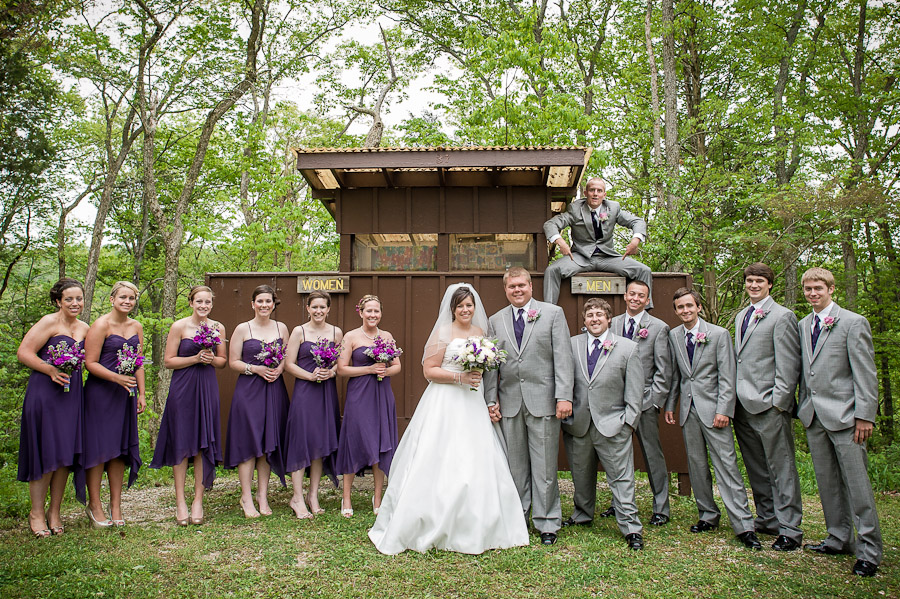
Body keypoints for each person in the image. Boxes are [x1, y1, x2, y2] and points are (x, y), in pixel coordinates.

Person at [368, 284, 529, 554]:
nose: (465, 310)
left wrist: (477, 378)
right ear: (452, 309)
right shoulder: (443, 333)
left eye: (469, 305)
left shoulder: (480, 333)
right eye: (460, 306)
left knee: (475, 458)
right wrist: (459, 377)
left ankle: (476, 522)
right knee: (440, 456)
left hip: (472, 402)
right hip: (444, 401)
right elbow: (429, 371)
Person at [797, 267, 882, 577]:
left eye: (818, 287)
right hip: (815, 415)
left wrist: (864, 415)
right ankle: (837, 538)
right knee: (827, 483)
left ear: (831, 289)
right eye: (808, 288)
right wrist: (804, 406)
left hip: (847, 416)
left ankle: (869, 551)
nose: (812, 293)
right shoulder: (804, 324)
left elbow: (865, 373)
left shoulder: (852, 322)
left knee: (857, 485)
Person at [664, 288, 761, 550]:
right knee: (696, 465)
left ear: (698, 307)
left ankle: (744, 525)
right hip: (688, 409)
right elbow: (677, 375)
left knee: (726, 466)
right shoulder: (674, 336)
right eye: (680, 307)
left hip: (714, 409)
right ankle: (707, 515)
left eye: (689, 306)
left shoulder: (718, 334)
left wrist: (724, 409)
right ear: (676, 311)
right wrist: (672, 404)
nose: (685, 311)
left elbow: (728, 375)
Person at [484, 267, 574, 545]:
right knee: (516, 466)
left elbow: (563, 358)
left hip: (544, 401)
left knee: (545, 466)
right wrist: (490, 399)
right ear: (506, 289)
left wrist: (564, 396)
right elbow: (491, 365)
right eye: (512, 287)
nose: (517, 290)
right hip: (509, 402)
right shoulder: (495, 320)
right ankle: (517, 517)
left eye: (521, 285)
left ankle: (547, 522)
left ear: (531, 286)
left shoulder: (552, 314)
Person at [562, 298, 645, 550]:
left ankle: (631, 527)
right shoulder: (571, 345)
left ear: (609, 319)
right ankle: (582, 514)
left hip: (613, 423)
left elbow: (635, 390)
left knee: (621, 479)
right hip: (579, 424)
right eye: (590, 315)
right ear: (584, 320)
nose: (594, 319)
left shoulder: (627, 348)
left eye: (600, 314)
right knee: (581, 475)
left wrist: (629, 423)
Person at [732, 263, 802, 550]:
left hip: (770, 405)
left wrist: (780, 404)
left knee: (781, 467)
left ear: (770, 284)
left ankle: (790, 529)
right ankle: (768, 518)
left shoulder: (783, 316)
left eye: (759, 281)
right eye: (749, 280)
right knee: (757, 467)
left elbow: (789, 364)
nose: (754, 285)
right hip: (742, 405)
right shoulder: (740, 316)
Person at [595, 280, 673, 526]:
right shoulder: (613, 323)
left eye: (641, 295)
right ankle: (618, 504)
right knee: (615, 455)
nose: (636, 298)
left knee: (652, 455)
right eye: (632, 294)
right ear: (625, 295)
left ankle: (661, 507)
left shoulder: (658, 328)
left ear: (647, 300)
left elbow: (664, 371)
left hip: (644, 402)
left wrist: (653, 402)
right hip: (616, 403)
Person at [17, 278, 90, 537]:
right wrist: (50, 369)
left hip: (72, 397)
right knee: (46, 451)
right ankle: (36, 512)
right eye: (69, 299)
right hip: (46, 393)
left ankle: (55, 511)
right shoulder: (49, 322)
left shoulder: (85, 328)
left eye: (78, 298)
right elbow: (24, 352)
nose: (75, 303)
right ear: (58, 301)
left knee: (65, 453)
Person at [150, 285, 227, 526]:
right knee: (182, 442)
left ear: (212, 305)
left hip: (207, 386)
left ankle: (198, 501)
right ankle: (181, 501)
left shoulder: (218, 327)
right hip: (183, 388)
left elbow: (223, 361)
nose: (203, 306)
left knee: (203, 442)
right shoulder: (179, 326)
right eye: (199, 301)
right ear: (191, 302)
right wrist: (194, 358)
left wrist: (211, 358)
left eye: (207, 302)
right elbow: (168, 361)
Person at [81, 281, 146, 528]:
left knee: (120, 450)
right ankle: (94, 505)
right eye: (123, 297)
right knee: (99, 449)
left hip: (125, 395)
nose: (127, 302)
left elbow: (138, 361)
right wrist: (116, 377)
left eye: (132, 298)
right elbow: (91, 363)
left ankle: (116, 505)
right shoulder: (100, 325)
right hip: (100, 393)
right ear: (112, 299)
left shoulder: (136, 326)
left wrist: (141, 392)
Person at [225, 284, 290, 518]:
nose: (264, 305)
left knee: (267, 443)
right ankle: (246, 497)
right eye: (260, 301)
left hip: (273, 388)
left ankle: (263, 495)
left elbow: (286, 357)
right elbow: (233, 362)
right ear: (253, 304)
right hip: (249, 389)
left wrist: (278, 371)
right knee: (249, 442)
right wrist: (256, 369)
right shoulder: (243, 329)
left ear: (274, 304)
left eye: (268, 301)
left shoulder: (281, 328)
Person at [335, 294, 401, 518]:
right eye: (369, 311)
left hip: (382, 394)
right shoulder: (351, 336)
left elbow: (397, 366)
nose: (373, 315)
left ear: (381, 313)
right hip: (359, 395)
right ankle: (346, 497)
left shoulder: (387, 336)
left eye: (377, 311)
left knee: (381, 443)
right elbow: (342, 369)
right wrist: (369, 369)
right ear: (360, 312)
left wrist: (384, 370)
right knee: (355, 441)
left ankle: (378, 497)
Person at [542, 177, 652, 305]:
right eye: (592, 190)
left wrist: (635, 240)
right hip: (580, 258)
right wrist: (560, 241)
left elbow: (637, 221)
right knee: (552, 270)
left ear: (604, 195)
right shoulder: (575, 209)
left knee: (644, 271)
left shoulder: (613, 208)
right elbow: (550, 224)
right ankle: (549, 311)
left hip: (608, 258)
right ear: (585, 193)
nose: (595, 194)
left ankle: (644, 315)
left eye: (599, 191)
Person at [283, 290, 343, 519]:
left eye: (323, 307)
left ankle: (313, 495)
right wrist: (309, 376)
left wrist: (331, 372)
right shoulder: (299, 331)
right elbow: (289, 364)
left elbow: (340, 363)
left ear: (329, 309)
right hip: (305, 392)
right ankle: (297, 497)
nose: (318, 311)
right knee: (302, 440)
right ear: (308, 308)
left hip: (326, 391)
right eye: (314, 307)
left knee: (320, 442)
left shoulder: (336, 332)